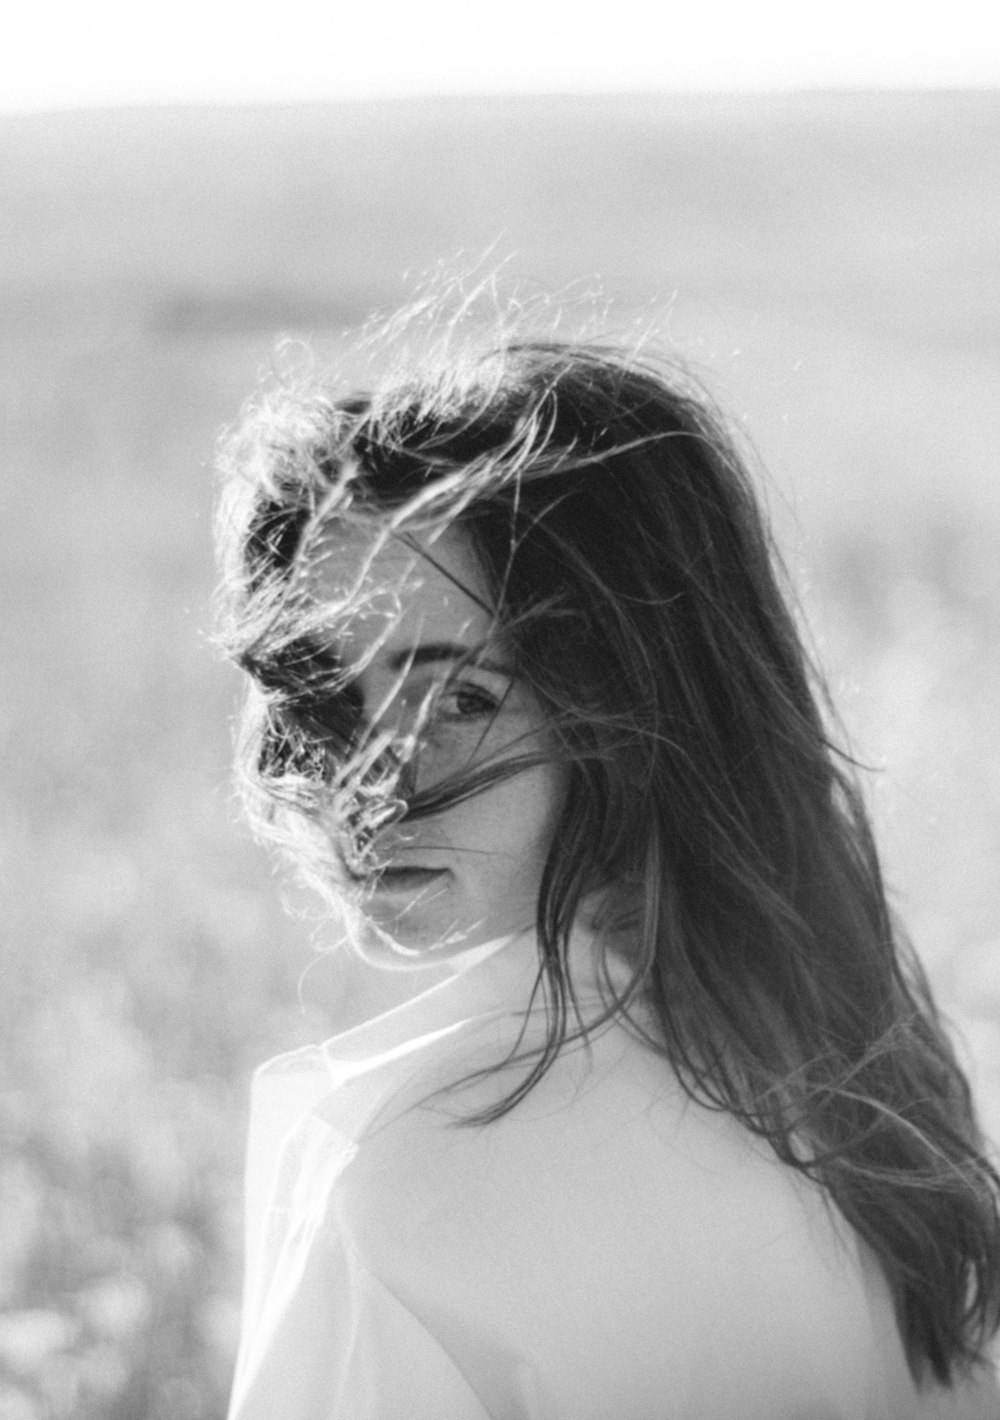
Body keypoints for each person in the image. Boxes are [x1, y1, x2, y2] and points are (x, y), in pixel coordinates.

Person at [215, 322, 1000, 1419]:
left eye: (460, 698)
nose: (362, 781)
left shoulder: (404, 1186)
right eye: (325, 693)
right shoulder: (862, 1077)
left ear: (636, 698)